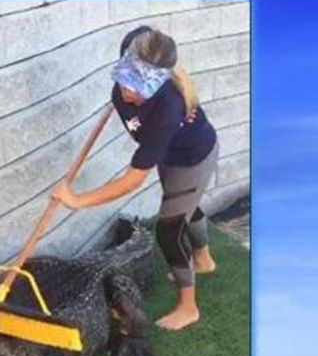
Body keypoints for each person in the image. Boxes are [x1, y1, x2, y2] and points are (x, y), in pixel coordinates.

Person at [52, 26, 219, 331]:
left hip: (194, 156)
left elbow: (132, 181)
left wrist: (77, 200)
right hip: (168, 153)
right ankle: (204, 259)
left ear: (156, 84)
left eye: (138, 88)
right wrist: (122, 94)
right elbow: (141, 35)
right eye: (124, 80)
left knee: (169, 229)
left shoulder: (168, 108)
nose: (128, 93)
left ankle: (188, 307)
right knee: (185, 207)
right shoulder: (124, 88)